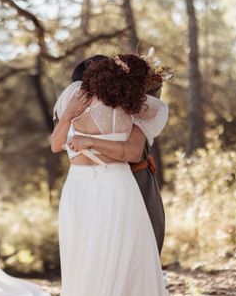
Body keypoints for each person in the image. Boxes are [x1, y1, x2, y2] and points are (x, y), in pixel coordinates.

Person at [27, 54, 171, 296]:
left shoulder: (97, 99)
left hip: (102, 188)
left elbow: (61, 145)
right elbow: (58, 143)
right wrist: (73, 119)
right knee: (99, 269)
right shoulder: (113, 103)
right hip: (100, 189)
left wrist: (85, 136)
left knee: (115, 268)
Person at [70, 55, 166, 253]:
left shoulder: (132, 105)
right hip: (97, 184)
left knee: (148, 238)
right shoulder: (74, 112)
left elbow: (134, 150)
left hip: (137, 177)